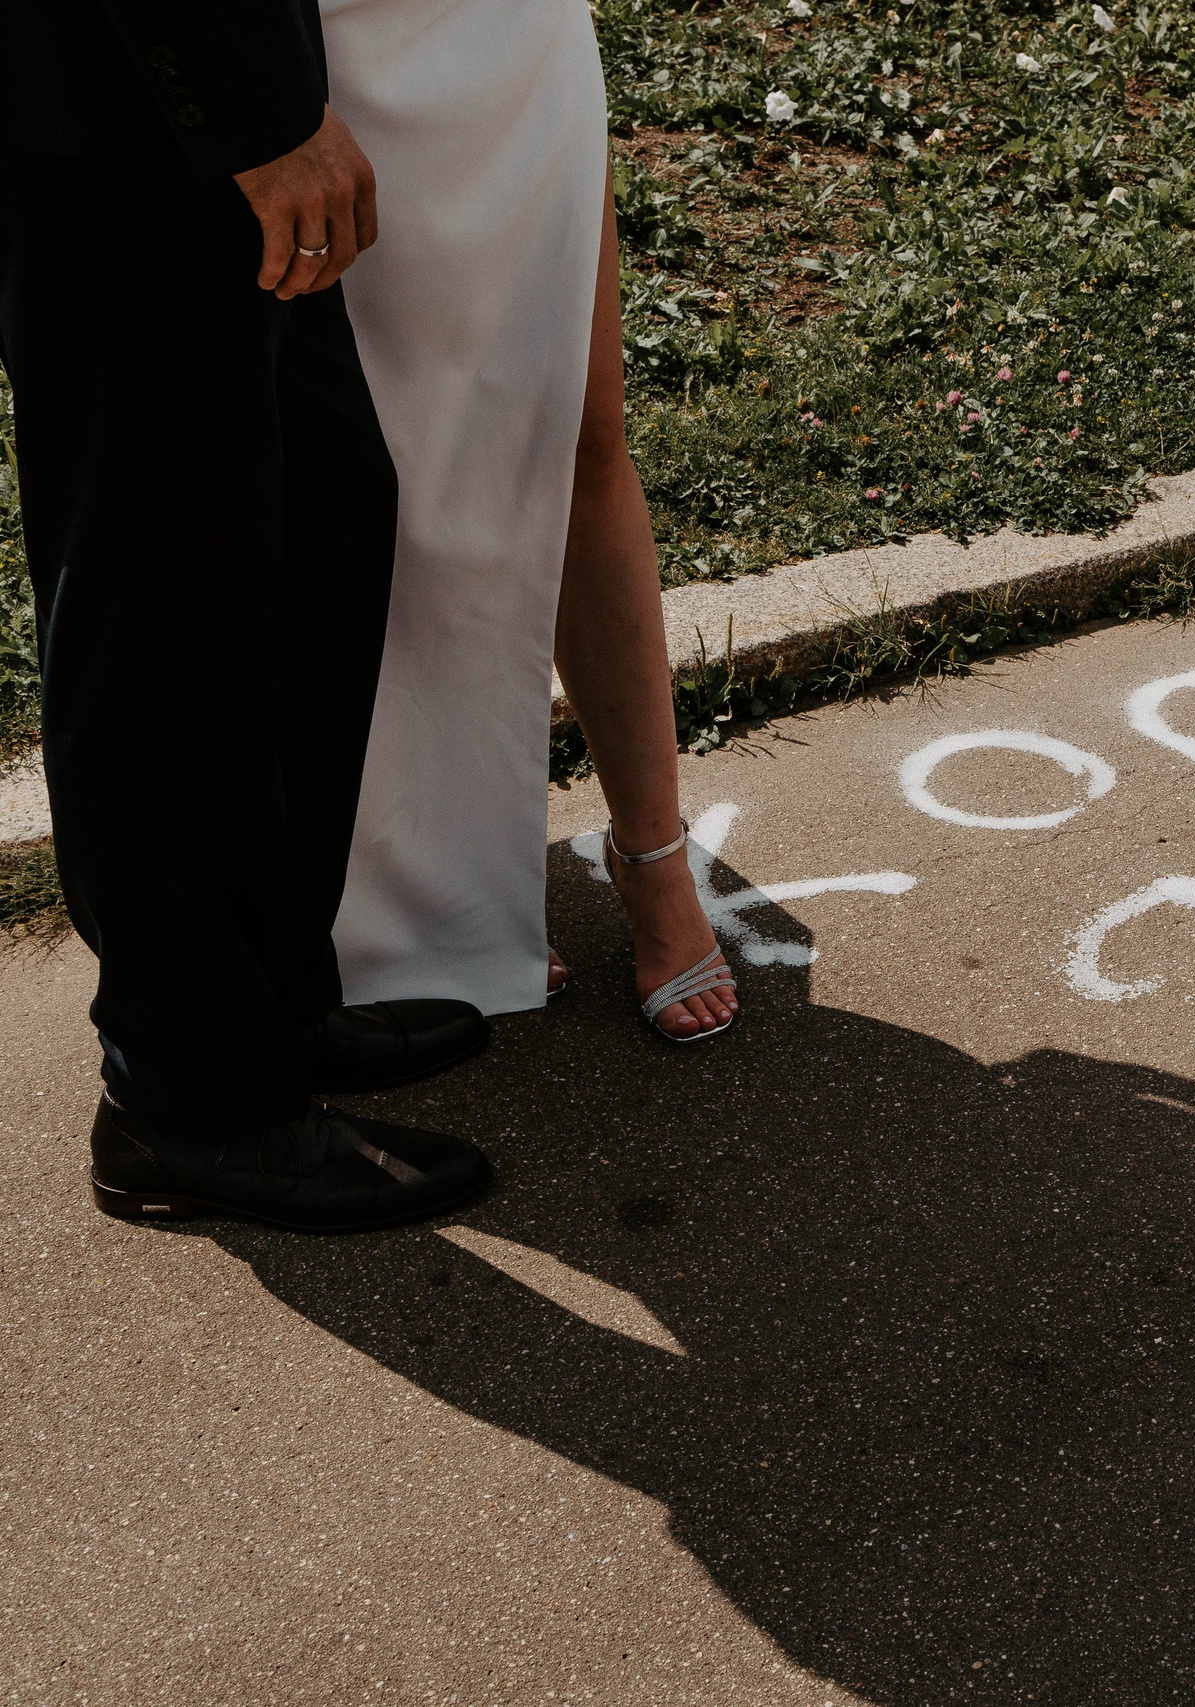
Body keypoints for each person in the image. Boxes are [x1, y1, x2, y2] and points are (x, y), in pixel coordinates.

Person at [0, 2, 492, 1230]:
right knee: (167, 614)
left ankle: (263, 1009)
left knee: (315, 533)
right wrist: (259, 123)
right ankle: (189, 1100)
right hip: (115, 126)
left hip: (193, 114)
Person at [318, 0, 740, 1044]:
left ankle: (652, 860)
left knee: (578, 428)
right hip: (328, 49)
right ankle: (421, 893)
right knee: (378, 465)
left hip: (503, 33)